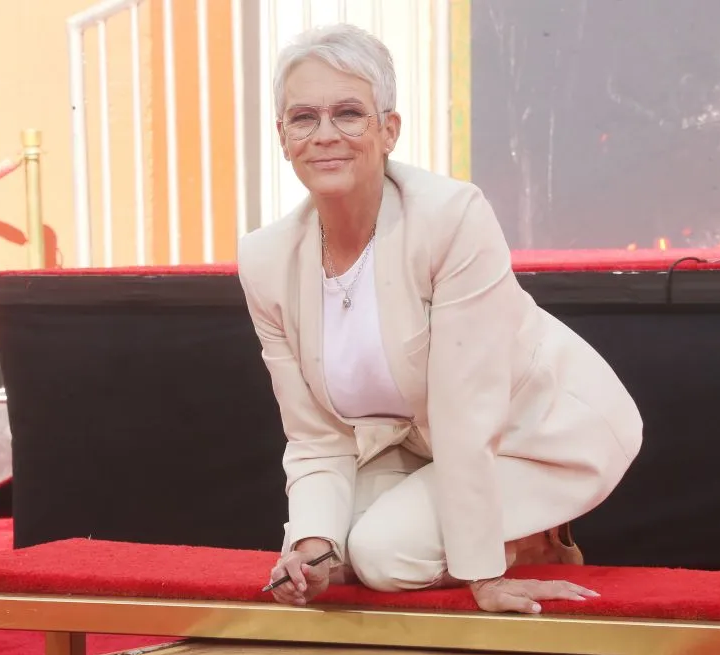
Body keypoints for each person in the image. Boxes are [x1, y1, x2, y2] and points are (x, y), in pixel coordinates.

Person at [237, 23, 643, 615]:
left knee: (380, 556)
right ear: (282, 136)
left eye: (349, 113)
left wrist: (484, 575)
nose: (325, 136)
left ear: (389, 130)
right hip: (424, 445)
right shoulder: (266, 258)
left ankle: (525, 544)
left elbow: (467, 407)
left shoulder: (451, 218)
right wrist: (315, 545)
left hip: (537, 433)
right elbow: (315, 435)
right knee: (322, 548)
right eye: (303, 118)